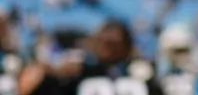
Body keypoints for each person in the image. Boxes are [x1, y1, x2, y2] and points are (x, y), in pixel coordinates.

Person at [21, 20, 164, 95]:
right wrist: (50, 77)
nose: (106, 48)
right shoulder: (78, 70)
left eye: (112, 44)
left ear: (126, 46)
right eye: (101, 41)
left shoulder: (141, 73)